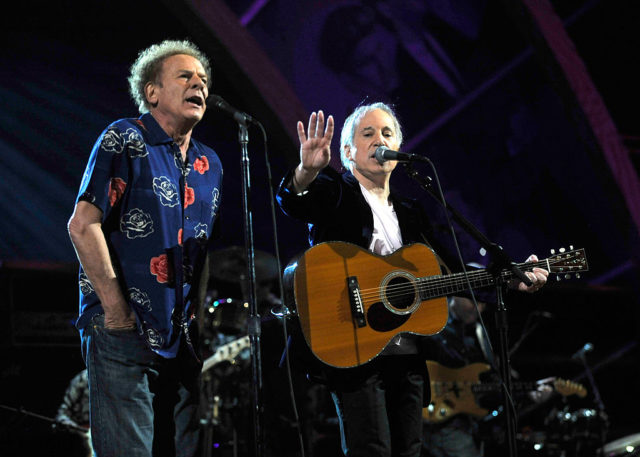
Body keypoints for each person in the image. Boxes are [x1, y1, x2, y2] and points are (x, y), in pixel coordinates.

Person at [275, 102, 548, 457]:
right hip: (354, 345)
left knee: (409, 450)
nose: (379, 140)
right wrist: (305, 173)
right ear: (347, 152)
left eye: (387, 133)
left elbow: (450, 272)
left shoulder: (411, 211)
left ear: (399, 150)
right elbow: (295, 202)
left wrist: (509, 277)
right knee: (371, 449)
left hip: (407, 354)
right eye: (368, 133)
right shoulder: (335, 191)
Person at [67, 39, 223, 457]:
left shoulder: (212, 164)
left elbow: (201, 252)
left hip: (181, 340)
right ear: (152, 92)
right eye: (185, 76)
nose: (199, 85)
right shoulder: (125, 138)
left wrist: (199, 330)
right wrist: (116, 310)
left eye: (204, 80)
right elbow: (83, 225)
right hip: (124, 328)